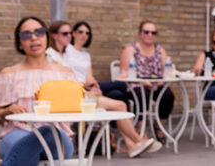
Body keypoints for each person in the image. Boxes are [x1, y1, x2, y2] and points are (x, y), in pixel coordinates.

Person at [0, 16, 154, 164]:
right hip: (17, 133)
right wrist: (7, 110)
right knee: (31, 151)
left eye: (39, 32)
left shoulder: (64, 73)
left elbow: (78, 105)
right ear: (19, 43)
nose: (34, 38)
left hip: (58, 137)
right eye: (26, 34)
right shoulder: (8, 74)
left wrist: (90, 98)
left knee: (47, 133)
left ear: (46, 37)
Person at [45, 20, 159, 156]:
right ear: (54, 35)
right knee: (120, 101)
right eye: (65, 33)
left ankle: (131, 145)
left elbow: (81, 78)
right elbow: (60, 83)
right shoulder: (51, 55)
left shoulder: (64, 54)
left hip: (79, 94)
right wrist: (86, 88)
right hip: (70, 98)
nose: (69, 36)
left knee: (119, 98)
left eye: (70, 33)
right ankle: (138, 140)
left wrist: (92, 87)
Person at [119, 21, 174, 135]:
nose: (150, 35)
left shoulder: (160, 50)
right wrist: (142, 81)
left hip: (156, 85)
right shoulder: (131, 49)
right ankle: (140, 130)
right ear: (140, 34)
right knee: (142, 94)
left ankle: (159, 127)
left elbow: (168, 70)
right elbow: (124, 72)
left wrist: (161, 81)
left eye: (153, 33)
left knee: (168, 95)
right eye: (146, 32)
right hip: (136, 85)